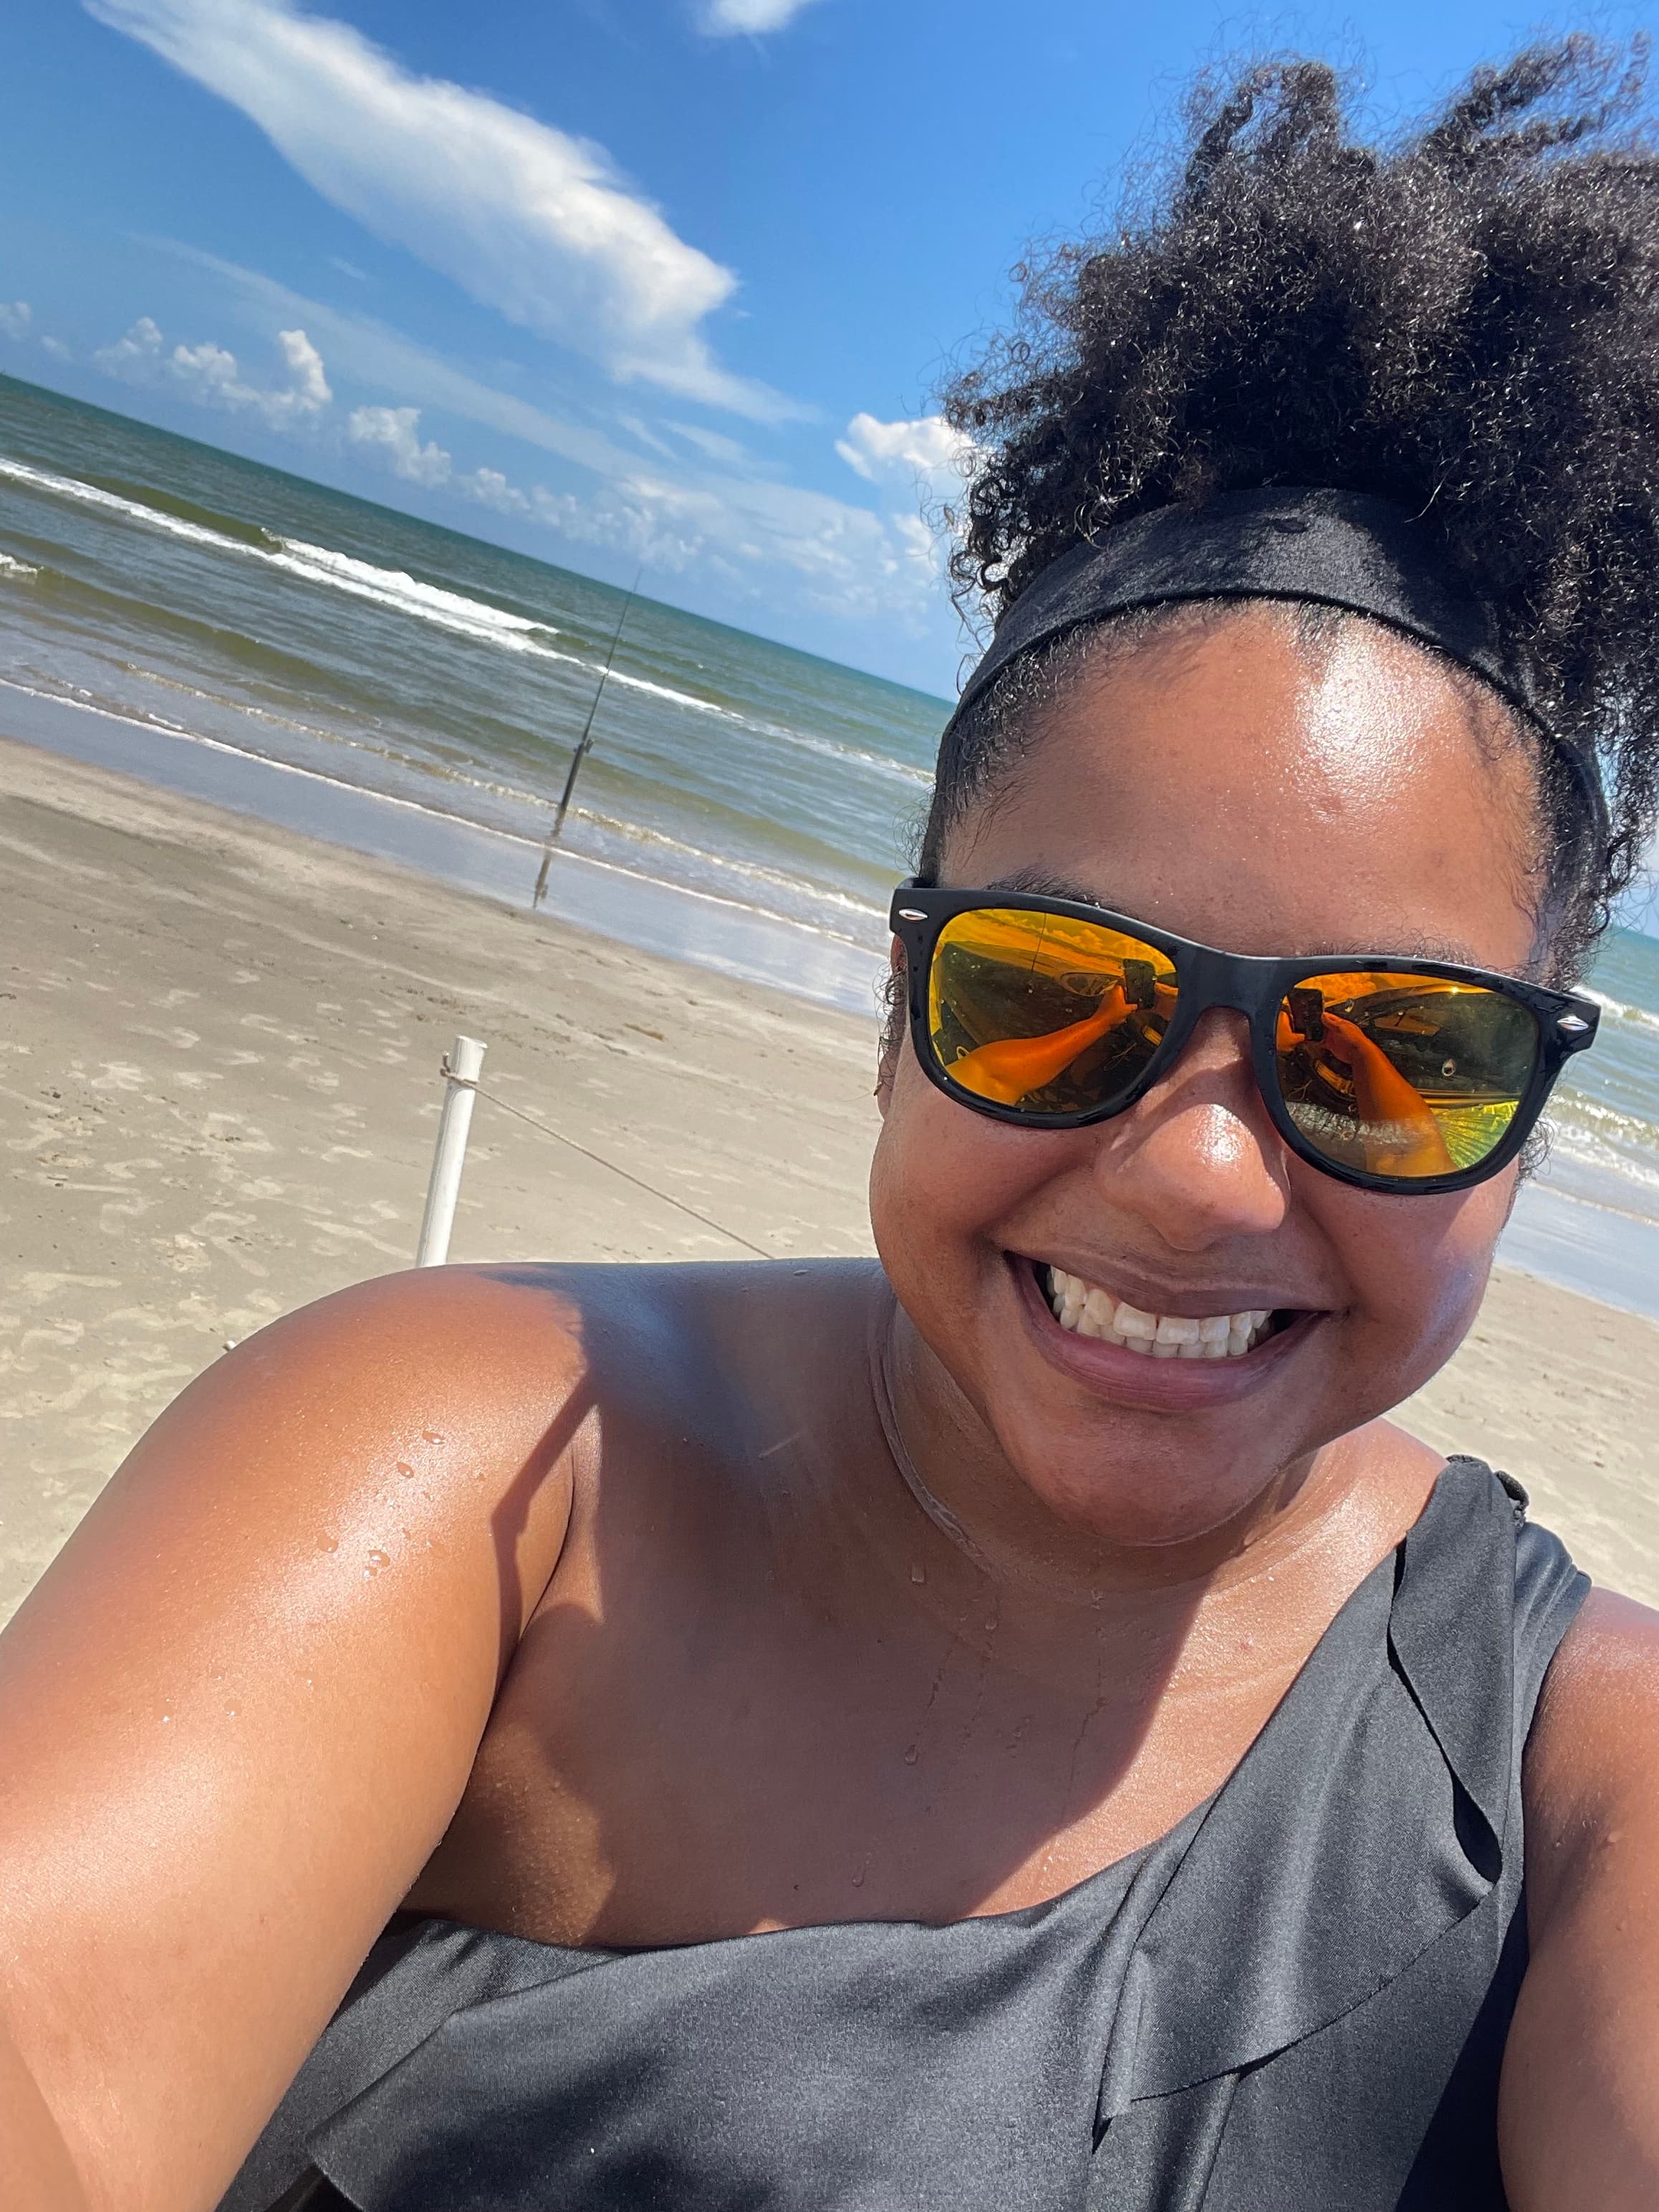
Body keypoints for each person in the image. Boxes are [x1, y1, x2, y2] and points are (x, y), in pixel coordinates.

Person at [4, 37, 1659, 2212]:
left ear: (1526, 1114)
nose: (1192, 1169)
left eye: (1398, 1049)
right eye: (1052, 995)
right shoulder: (474, 1474)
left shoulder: (1576, 1775)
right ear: (899, 1004)